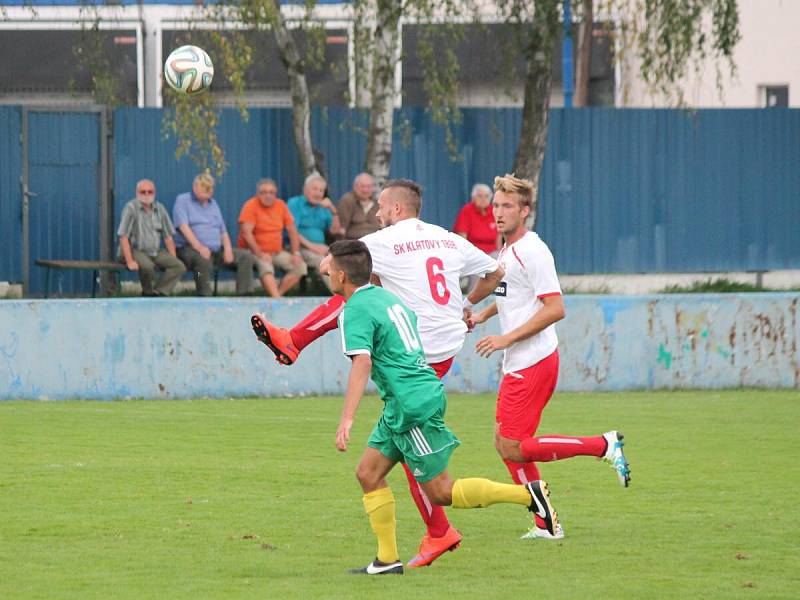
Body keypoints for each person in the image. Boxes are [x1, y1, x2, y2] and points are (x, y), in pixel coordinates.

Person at [251, 179, 505, 568]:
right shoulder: (447, 238)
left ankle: (293, 341)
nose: (377, 213)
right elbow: (495, 270)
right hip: (444, 347)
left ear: (399, 210)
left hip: (414, 349)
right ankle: (432, 535)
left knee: (354, 297)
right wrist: (464, 304)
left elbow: (338, 264)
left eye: (382, 207)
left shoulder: (385, 241)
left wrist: (323, 260)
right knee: (399, 447)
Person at [326, 239, 559, 575]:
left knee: (440, 492)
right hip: (403, 401)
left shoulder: (355, 310)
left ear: (342, 275)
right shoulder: (387, 297)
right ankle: (387, 560)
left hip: (411, 405)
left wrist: (347, 419)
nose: (327, 272)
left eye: (331, 268)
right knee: (368, 473)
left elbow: (361, 362)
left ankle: (529, 495)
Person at [468, 174, 631, 540]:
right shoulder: (507, 251)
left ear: (524, 211)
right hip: (520, 361)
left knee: (514, 446)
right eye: (495, 205)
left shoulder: (534, 251)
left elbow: (555, 308)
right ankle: (545, 522)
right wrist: (483, 315)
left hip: (534, 361)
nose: (498, 212)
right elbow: (514, 294)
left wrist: (505, 338)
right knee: (504, 444)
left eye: (507, 206)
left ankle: (602, 445)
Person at [173, 173, 256, 296]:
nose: (208, 190)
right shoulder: (183, 200)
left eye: (210, 187)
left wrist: (228, 249)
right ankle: (205, 296)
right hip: (189, 249)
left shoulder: (213, 204)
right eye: (204, 186)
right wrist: (199, 247)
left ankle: (244, 296)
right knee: (201, 262)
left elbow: (223, 231)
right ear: (195, 186)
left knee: (246, 256)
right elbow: (183, 227)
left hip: (216, 249)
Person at [237, 178, 307, 298]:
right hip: (255, 252)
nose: (268, 196)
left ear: (275, 194)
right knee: (266, 267)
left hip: (277, 252)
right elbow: (246, 234)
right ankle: (277, 300)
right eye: (263, 192)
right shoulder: (250, 205)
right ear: (257, 194)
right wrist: (260, 254)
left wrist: (296, 253)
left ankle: (276, 297)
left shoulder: (281, 205)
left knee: (300, 267)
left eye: (271, 192)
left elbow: (292, 230)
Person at [117, 179, 186, 296]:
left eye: (150, 192)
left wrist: (173, 257)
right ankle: (147, 292)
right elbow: (123, 237)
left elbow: (168, 237)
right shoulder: (131, 208)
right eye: (143, 192)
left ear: (154, 193)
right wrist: (129, 261)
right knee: (148, 267)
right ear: (137, 192)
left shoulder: (160, 209)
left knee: (179, 266)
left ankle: (159, 292)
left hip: (155, 251)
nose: (147, 195)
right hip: (134, 250)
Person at [286, 174, 344, 290]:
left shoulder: (323, 207)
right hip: (298, 247)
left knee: (341, 260)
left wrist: (333, 210)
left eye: (321, 190)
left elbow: (335, 230)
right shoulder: (294, 204)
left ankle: (349, 295)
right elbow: (293, 231)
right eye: (315, 189)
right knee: (325, 262)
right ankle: (341, 296)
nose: (318, 193)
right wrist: (313, 247)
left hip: (320, 249)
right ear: (305, 190)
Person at [453, 183, 501, 291]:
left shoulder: (495, 212)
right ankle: (474, 298)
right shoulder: (467, 211)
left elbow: (498, 239)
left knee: (502, 263)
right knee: (478, 265)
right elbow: (462, 239)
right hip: (473, 251)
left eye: (486, 196)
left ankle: (500, 297)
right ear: (473, 198)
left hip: (491, 253)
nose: (483, 199)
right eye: (480, 196)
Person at [337, 172, 379, 239]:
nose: (365, 190)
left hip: (375, 243)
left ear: (372, 188)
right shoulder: (347, 201)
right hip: (354, 243)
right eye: (362, 186)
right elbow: (341, 230)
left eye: (368, 187)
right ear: (355, 187)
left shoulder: (377, 203)